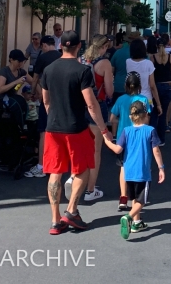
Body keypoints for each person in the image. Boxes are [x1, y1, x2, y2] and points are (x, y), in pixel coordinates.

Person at [41, 30, 111, 235]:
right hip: (76, 127)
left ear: (60, 45)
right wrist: (103, 129)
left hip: (53, 128)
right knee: (82, 169)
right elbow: (91, 104)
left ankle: (55, 220)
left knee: (55, 172)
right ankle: (71, 210)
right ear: (79, 46)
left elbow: (46, 101)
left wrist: (55, 117)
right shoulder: (82, 71)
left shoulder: (49, 69)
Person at [103, 101, 165, 239]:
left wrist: (107, 141)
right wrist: (161, 168)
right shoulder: (150, 131)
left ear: (131, 117)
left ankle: (137, 223)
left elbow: (118, 149)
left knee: (135, 198)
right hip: (142, 172)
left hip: (128, 171)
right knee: (141, 201)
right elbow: (156, 151)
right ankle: (129, 217)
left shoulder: (126, 131)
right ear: (145, 115)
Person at [79, 35, 114, 202]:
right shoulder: (104, 63)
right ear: (104, 46)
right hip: (97, 105)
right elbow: (109, 91)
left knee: (80, 148)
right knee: (95, 151)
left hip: (80, 107)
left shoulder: (81, 60)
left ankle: (76, 182)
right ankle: (90, 189)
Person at [110, 72, 150, 211]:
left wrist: (121, 121)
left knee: (123, 166)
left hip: (123, 136)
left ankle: (123, 196)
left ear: (125, 85)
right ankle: (137, 197)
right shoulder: (143, 100)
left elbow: (112, 119)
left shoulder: (121, 99)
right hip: (139, 138)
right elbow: (147, 120)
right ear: (139, 86)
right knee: (139, 165)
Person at [26, 35, 59, 179]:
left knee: (44, 132)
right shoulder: (62, 56)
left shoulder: (42, 58)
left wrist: (33, 93)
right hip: (62, 99)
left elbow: (35, 78)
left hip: (48, 98)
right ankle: (57, 163)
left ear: (44, 45)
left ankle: (41, 165)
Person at [148, 36, 171, 144]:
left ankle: (152, 138)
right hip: (168, 86)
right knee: (163, 113)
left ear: (156, 46)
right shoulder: (170, 57)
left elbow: (151, 73)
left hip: (156, 86)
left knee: (154, 113)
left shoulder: (153, 58)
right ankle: (161, 139)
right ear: (165, 45)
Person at [126, 38, 161, 121]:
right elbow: (152, 85)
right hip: (147, 98)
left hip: (132, 97)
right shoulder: (148, 63)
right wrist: (158, 104)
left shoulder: (128, 62)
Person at [110, 32, 136, 103]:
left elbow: (111, 71)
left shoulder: (118, 52)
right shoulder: (141, 55)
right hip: (134, 87)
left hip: (118, 85)